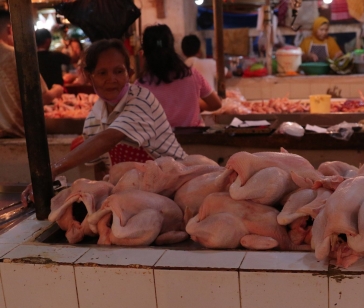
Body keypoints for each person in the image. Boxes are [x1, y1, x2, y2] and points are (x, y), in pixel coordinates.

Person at [21, 38, 189, 203]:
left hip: (179, 186)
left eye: (118, 71)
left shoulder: (141, 99)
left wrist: (54, 168)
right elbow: (101, 168)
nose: (112, 79)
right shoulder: (94, 118)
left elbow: (110, 137)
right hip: (141, 197)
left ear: (129, 74)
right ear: (89, 76)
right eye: (102, 73)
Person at [135, 24, 221, 128]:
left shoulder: (140, 86)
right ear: (172, 47)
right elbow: (216, 104)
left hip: (158, 143)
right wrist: (193, 103)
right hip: (194, 141)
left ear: (144, 53)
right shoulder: (192, 74)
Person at [0, 10, 63, 138]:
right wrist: (57, 90)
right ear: (9, 29)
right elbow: (41, 98)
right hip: (17, 136)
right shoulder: (17, 56)